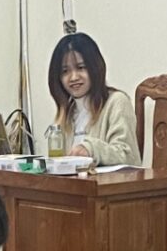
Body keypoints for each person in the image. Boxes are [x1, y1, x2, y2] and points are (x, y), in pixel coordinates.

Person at [48, 32, 142, 166]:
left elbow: (127, 155)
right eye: (65, 71)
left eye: (81, 68)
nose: (73, 77)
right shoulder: (67, 113)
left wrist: (91, 149)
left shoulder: (117, 102)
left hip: (110, 180)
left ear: (95, 67)